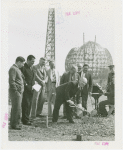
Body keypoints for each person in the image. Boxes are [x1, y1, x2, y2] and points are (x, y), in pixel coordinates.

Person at [9, 56, 25, 130]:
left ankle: (15, 123)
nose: (23, 65)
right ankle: (15, 125)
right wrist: (16, 90)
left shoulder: (17, 69)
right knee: (16, 108)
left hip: (18, 92)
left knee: (17, 108)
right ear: (18, 62)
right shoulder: (13, 69)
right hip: (16, 92)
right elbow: (12, 81)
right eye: (22, 63)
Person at [20, 55, 35, 125]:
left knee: (29, 104)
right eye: (32, 61)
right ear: (28, 60)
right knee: (26, 104)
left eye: (34, 61)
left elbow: (32, 78)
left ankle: (27, 118)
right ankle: (25, 120)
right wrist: (27, 86)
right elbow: (22, 79)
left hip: (31, 89)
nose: (33, 63)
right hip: (26, 90)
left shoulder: (31, 68)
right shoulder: (23, 68)